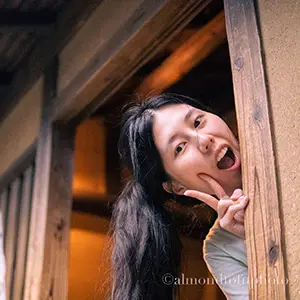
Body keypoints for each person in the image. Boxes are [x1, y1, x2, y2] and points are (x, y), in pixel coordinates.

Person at [109, 93, 249, 300]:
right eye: (180, 148)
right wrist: (252, 238)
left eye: (198, 122)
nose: (204, 140)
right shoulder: (221, 248)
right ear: (177, 186)